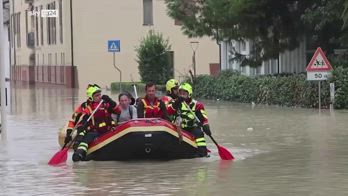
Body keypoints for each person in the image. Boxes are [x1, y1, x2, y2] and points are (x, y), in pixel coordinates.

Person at [72, 84, 118, 162]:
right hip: (94, 132)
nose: (100, 97)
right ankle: (79, 154)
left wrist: (110, 101)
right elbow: (81, 120)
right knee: (86, 139)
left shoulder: (106, 104)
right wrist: (81, 129)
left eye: (100, 94)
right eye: (97, 95)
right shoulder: (88, 108)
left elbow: (118, 110)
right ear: (91, 97)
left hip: (107, 131)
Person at [167, 82, 211, 157]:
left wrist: (206, 126)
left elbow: (203, 118)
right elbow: (168, 111)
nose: (182, 95)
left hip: (192, 128)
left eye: (184, 93)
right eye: (180, 93)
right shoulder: (175, 102)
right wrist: (177, 102)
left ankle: (203, 153)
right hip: (178, 128)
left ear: (189, 94)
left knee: (199, 133)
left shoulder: (197, 105)